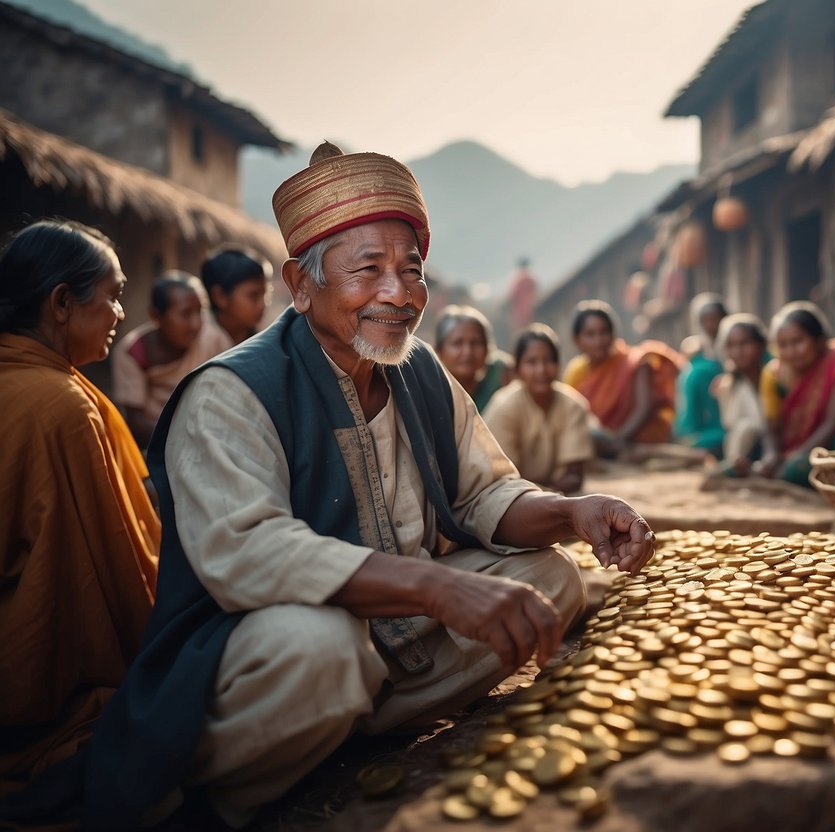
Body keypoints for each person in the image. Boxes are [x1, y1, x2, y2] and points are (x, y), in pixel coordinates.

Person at [58, 142, 655, 829]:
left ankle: (341, 727)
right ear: (301, 283)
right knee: (321, 649)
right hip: (266, 654)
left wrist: (572, 511)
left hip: (391, 639)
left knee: (547, 577)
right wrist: (435, 585)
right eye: (368, 270)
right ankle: (227, 780)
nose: (399, 294)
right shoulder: (229, 393)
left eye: (411, 271)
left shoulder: (417, 369)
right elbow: (251, 557)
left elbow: (482, 494)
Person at [0, 220, 159, 802]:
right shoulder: (64, 408)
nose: (121, 312)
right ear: (62, 303)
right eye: (113, 295)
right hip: (37, 697)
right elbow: (117, 574)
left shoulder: (24, 381)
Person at [756, 302, 835, 485]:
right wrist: (771, 455)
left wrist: (799, 455)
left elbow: (834, 421)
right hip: (791, 448)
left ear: (819, 340)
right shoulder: (775, 374)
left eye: (798, 342)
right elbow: (771, 427)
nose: (791, 352)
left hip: (832, 443)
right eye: (783, 345)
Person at [111, 271, 230, 447]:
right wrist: (187, 440)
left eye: (199, 312)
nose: (196, 324)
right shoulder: (133, 352)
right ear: (156, 316)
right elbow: (136, 422)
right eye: (185, 314)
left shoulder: (212, 339)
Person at [563, 300, 685, 457]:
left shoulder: (635, 362)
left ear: (613, 333)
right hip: (594, 445)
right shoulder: (575, 372)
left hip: (638, 441)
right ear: (576, 339)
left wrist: (616, 440)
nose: (598, 341)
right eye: (590, 334)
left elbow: (643, 409)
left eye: (604, 332)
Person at [484, 324, 594, 493]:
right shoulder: (503, 406)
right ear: (517, 369)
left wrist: (545, 497)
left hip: (553, 493)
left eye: (549, 360)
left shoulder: (574, 406)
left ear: (559, 365)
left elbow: (574, 477)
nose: (541, 370)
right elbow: (502, 479)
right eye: (531, 362)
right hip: (508, 494)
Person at [713, 313, 773, 475]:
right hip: (746, 451)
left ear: (761, 345)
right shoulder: (728, 385)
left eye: (745, 343)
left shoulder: (775, 376)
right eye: (731, 345)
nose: (738, 352)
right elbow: (729, 426)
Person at [434, 304, 515, 412]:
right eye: (457, 343)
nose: (468, 352)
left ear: (488, 349)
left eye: (476, 343)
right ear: (439, 350)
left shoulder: (500, 376)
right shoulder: (430, 390)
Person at [200, 245, 273, 345]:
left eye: (266, 294)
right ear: (220, 296)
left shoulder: (261, 339)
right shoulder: (200, 341)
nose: (263, 304)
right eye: (253, 296)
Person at [673, 335, 725, 458]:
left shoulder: (689, 373)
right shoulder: (715, 367)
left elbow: (689, 414)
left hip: (704, 436)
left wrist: (685, 435)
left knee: (689, 445)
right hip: (722, 432)